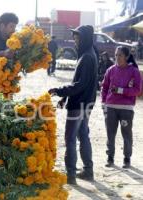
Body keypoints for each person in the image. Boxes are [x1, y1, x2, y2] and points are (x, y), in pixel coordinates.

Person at [48, 25, 98, 185]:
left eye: (77, 38)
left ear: (85, 39)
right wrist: (65, 98)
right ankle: (88, 171)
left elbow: (80, 84)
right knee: (83, 135)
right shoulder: (87, 54)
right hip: (85, 103)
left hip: (79, 105)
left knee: (70, 138)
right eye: (75, 38)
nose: (75, 41)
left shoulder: (87, 57)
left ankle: (70, 175)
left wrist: (60, 91)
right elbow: (79, 83)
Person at [101, 46, 142, 168]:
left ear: (126, 56)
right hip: (110, 107)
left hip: (126, 109)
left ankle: (127, 158)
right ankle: (110, 158)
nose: (117, 58)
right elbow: (104, 87)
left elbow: (137, 90)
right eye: (116, 55)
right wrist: (103, 103)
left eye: (120, 55)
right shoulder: (110, 70)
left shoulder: (134, 71)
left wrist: (121, 90)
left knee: (126, 134)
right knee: (110, 134)